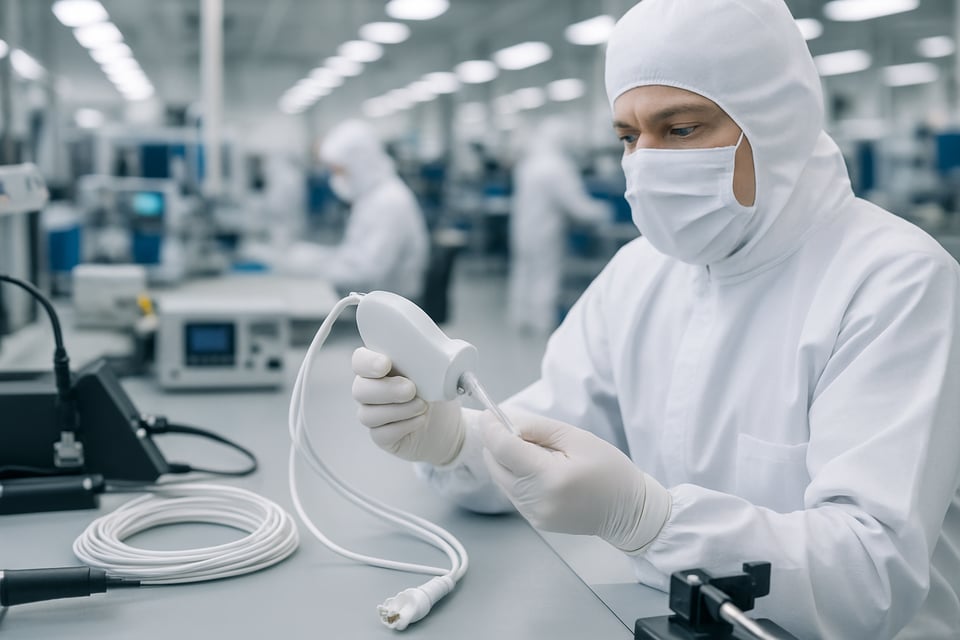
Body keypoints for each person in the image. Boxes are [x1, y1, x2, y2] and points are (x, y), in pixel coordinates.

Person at [347, 1, 960, 637]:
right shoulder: (640, 272)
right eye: (628, 136)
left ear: (775, 124)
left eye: (682, 129)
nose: (647, 162)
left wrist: (650, 522)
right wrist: (456, 442)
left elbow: (871, 578)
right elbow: (539, 439)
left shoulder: (894, 281)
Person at [272, 119, 430, 301]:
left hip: (393, 308)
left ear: (359, 165)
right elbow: (354, 256)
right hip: (374, 300)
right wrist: (316, 257)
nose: (336, 178)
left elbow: (367, 271)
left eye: (340, 171)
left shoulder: (389, 202)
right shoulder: (371, 198)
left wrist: (311, 267)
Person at [508, 117, 611, 334]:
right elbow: (577, 206)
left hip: (522, 229)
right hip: (545, 231)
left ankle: (521, 318)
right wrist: (602, 211)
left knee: (524, 273)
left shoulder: (530, 163)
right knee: (546, 275)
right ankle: (541, 323)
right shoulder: (557, 167)